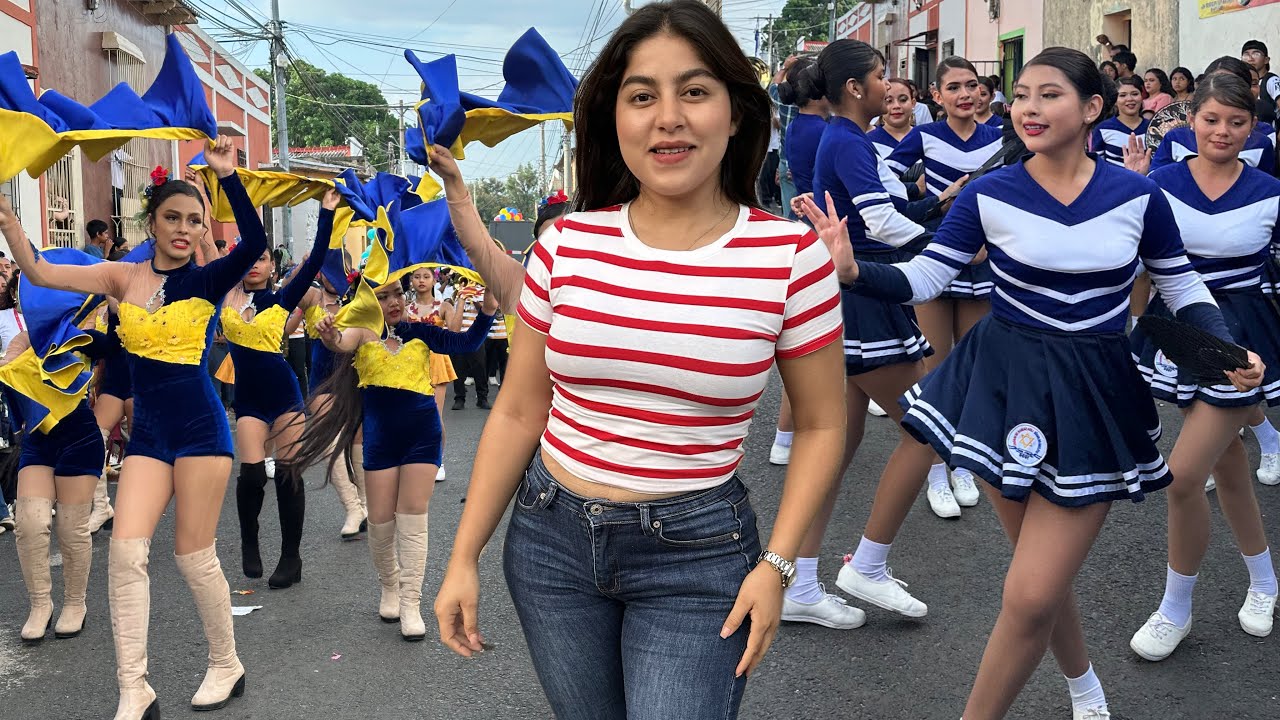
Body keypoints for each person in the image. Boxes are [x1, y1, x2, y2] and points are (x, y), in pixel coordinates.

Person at [803, 46, 1264, 720]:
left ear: (1092, 109)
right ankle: (1084, 685)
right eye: (1021, 96)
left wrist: (1222, 346)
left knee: (1029, 592)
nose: (1029, 108)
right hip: (1002, 387)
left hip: (1092, 396)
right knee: (1035, 577)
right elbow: (926, 277)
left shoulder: (1139, 195)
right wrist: (852, 273)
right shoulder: (991, 193)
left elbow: (1182, 283)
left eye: (1049, 95)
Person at [433, 4, 847, 718]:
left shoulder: (789, 258)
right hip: (549, 544)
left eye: (694, 91)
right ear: (614, 117)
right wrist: (462, 555)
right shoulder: (566, 246)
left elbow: (819, 425)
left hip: (701, 555)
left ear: (737, 112)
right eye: (642, 96)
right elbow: (521, 408)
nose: (668, 118)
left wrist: (778, 565)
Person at [0, 136, 258, 720]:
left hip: (201, 434)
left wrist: (228, 178)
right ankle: (133, 690)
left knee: (194, 556)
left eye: (195, 220)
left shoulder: (211, 279)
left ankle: (225, 663)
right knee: (124, 554)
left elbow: (258, 242)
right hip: (148, 440)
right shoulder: (121, 277)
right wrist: (11, 222)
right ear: (153, 219)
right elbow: (40, 270)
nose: (186, 228)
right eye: (174, 216)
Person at [1127, 73, 1279, 661]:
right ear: (1192, 120)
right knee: (1231, 466)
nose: (1222, 131)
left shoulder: (1270, 189)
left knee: (1185, 476)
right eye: (1212, 119)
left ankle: (1176, 607)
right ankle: (1265, 581)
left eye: (1237, 122)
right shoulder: (1157, 184)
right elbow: (1139, 264)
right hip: (1180, 332)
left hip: (1242, 339)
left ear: (1254, 128)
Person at [294, 268, 497, 641]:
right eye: (383, 296)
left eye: (396, 294)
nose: (393, 302)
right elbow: (340, 341)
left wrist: (486, 311)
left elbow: (466, 344)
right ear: (368, 301)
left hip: (422, 437)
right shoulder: (363, 335)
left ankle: (411, 603)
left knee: (413, 517)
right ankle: (389, 588)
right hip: (381, 440)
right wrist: (329, 335)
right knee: (382, 523)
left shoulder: (421, 330)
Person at [885, 56, 1003, 518]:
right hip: (936, 259)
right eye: (953, 87)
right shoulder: (925, 136)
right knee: (934, 367)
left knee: (973, 365)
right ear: (936, 96)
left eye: (972, 85)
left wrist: (989, 245)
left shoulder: (1001, 138)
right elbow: (883, 178)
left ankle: (963, 462)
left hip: (985, 263)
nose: (965, 95)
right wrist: (929, 208)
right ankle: (936, 469)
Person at [224, 191, 335, 589]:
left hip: (283, 394)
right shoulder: (222, 293)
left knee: (289, 475)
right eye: (249, 258)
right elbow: (202, 248)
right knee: (252, 475)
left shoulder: (282, 296)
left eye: (262, 259)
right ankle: (249, 540)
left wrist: (326, 212)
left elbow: (316, 260)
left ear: (272, 265)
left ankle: (292, 558)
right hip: (249, 399)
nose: (254, 265)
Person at [1, 328, 108, 645]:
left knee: (71, 527)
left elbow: (118, 349)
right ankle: (40, 604)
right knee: (29, 522)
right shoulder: (24, 338)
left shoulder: (83, 336)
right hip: (37, 442)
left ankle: (76, 602)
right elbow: (9, 371)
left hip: (81, 440)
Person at [406, 266, 459, 483]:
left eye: (426, 276)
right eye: (417, 276)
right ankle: (414, 457)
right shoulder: (406, 307)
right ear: (411, 280)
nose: (421, 281)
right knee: (410, 414)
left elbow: (455, 331)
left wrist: (462, 301)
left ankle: (438, 460)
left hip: (436, 361)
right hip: (410, 363)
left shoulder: (444, 305)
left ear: (433, 280)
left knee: (434, 415)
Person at [448, 282, 491, 410]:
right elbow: (455, 315)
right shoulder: (458, 293)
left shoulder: (482, 292)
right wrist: (462, 297)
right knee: (458, 370)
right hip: (460, 336)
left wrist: (474, 299)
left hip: (476, 337)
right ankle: (459, 398)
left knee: (480, 369)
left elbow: (485, 313)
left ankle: (482, 398)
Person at [1091, 76, 1149, 166]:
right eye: (1122, 95)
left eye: (1134, 94)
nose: (1129, 99)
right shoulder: (1103, 129)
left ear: (1142, 97)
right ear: (1115, 100)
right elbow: (1096, 166)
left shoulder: (1153, 128)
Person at [1241, 39, 1280, 124]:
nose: (1250, 59)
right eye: (1246, 55)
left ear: (1266, 60)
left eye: (1256, 54)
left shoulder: (1271, 80)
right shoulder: (1241, 82)